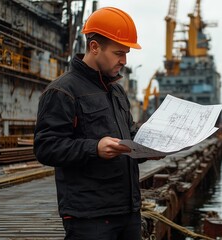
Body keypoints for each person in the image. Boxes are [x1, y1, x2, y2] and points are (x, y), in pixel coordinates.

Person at [34, 7, 147, 239]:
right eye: (118, 53)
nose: (124, 61)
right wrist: (94, 148)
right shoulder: (62, 91)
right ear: (94, 47)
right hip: (89, 219)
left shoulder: (117, 91)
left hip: (128, 212)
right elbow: (46, 147)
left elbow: (130, 137)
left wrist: (151, 148)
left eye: (126, 53)